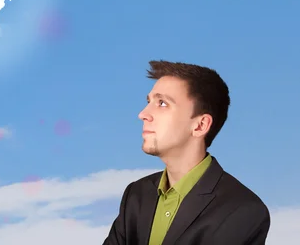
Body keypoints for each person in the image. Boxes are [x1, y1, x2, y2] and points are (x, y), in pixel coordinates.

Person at [103, 60, 270, 245]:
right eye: (148, 101)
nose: (143, 114)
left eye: (162, 103)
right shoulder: (136, 194)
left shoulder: (242, 210)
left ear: (200, 125)